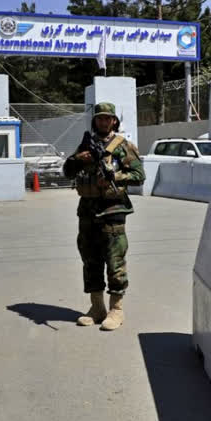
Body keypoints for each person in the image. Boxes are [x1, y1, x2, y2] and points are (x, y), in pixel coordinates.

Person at [62, 102, 145, 331]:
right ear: (94, 121)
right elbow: (67, 171)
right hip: (87, 212)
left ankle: (116, 310)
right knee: (90, 260)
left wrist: (115, 176)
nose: (103, 122)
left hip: (113, 211)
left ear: (114, 121)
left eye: (107, 118)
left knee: (115, 260)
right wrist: (78, 159)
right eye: (99, 118)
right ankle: (96, 308)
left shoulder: (123, 146)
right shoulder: (85, 145)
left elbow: (139, 175)